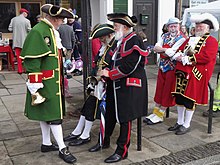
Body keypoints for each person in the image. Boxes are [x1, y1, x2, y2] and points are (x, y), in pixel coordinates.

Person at [20, 4, 77, 164]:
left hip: (53, 81)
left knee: (45, 114)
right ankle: (62, 148)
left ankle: (46, 143)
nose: (62, 22)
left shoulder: (50, 31)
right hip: (45, 83)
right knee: (54, 116)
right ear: (54, 18)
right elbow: (31, 61)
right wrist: (35, 86)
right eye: (61, 19)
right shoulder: (39, 31)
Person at [97, 13, 148, 163]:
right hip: (115, 84)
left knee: (125, 118)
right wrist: (104, 70)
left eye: (116, 26)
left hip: (130, 86)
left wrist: (109, 73)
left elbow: (129, 67)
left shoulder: (135, 40)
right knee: (110, 114)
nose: (113, 29)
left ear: (125, 27)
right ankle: (104, 142)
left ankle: (122, 151)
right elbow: (110, 58)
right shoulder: (119, 40)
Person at [63, 23, 115, 146]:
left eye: (102, 38)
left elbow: (111, 68)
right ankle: (78, 132)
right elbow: (97, 64)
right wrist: (92, 80)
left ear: (109, 35)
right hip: (98, 83)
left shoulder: (112, 48)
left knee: (91, 108)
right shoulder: (105, 47)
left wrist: (100, 78)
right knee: (87, 107)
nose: (101, 40)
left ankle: (85, 135)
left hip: (106, 85)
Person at [169, 13, 219, 135]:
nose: (198, 27)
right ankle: (180, 122)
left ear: (208, 28)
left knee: (189, 99)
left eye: (201, 26)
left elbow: (206, 57)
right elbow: (180, 49)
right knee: (179, 97)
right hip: (182, 72)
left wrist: (188, 59)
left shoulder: (211, 41)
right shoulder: (189, 39)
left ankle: (187, 124)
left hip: (196, 74)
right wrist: (178, 55)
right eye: (197, 25)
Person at [143, 17, 186, 125]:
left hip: (173, 69)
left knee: (167, 91)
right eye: (171, 26)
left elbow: (170, 54)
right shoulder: (164, 36)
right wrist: (165, 50)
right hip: (162, 66)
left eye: (175, 26)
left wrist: (163, 50)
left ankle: (160, 114)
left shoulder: (182, 38)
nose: (173, 28)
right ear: (167, 27)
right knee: (159, 89)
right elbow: (156, 48)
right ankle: (155, 112)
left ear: (179, 26)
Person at [8, 8, 31, 74]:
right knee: (25, 56)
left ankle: (20, 70)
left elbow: (9, 29)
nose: (27, 15)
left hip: (16, 41)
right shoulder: (27, 21)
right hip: (25, 41)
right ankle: (25, 69)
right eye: (26, 14)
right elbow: (29, 30)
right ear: (24, 13)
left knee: (18, 56)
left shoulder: (13, 19)